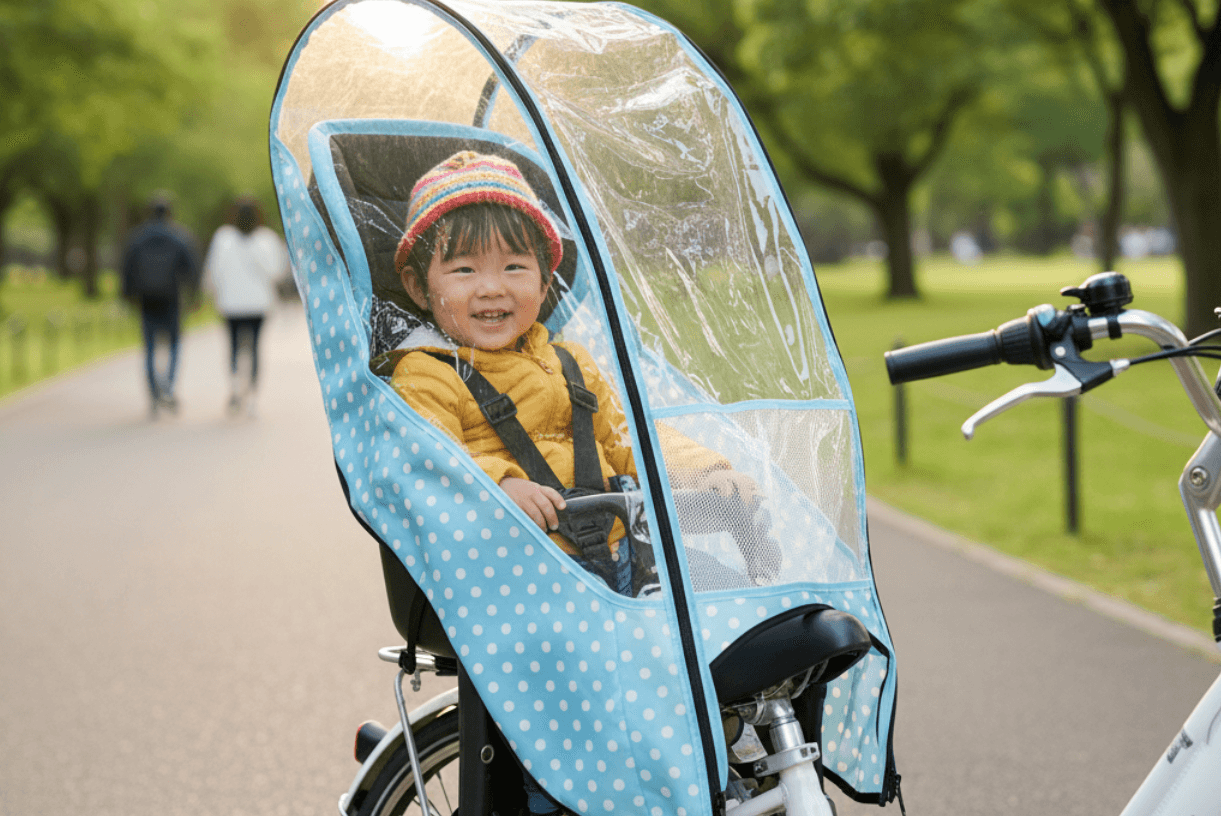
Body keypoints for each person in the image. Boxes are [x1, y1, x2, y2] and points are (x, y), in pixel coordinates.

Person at [379, 150, 760, 816]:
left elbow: (629, 438)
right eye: (463, 269)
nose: (491, 287)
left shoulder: (569, 361)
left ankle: (709, 772)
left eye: (514, 267)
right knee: (568, 729)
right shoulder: (426, 373)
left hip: (616, 559)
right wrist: (496, 481)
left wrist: (703, 470)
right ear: (420, 287)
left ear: (546, 279)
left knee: (722, 625)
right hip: (521, 586)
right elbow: (422, 455)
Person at [203, 195, 290, 416]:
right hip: (258, 303)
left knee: (233, 346)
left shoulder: (223, 237)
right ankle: (251, 396)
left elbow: (213, 270)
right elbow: (278, 273)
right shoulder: (267, 239)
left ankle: (234, 386)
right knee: (254, 348)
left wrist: (210, 292)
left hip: (230, 303)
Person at [121, 192, 201, 417]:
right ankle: (168, 386)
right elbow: (191, 269)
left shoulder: (137, 237)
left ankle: (154, 393)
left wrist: (127, 296)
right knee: (174, 344)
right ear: (170, 212)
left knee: (149, 347)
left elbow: (127, 269)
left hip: (146, 298)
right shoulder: (179, 236)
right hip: (171, 297)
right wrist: (194, 296)